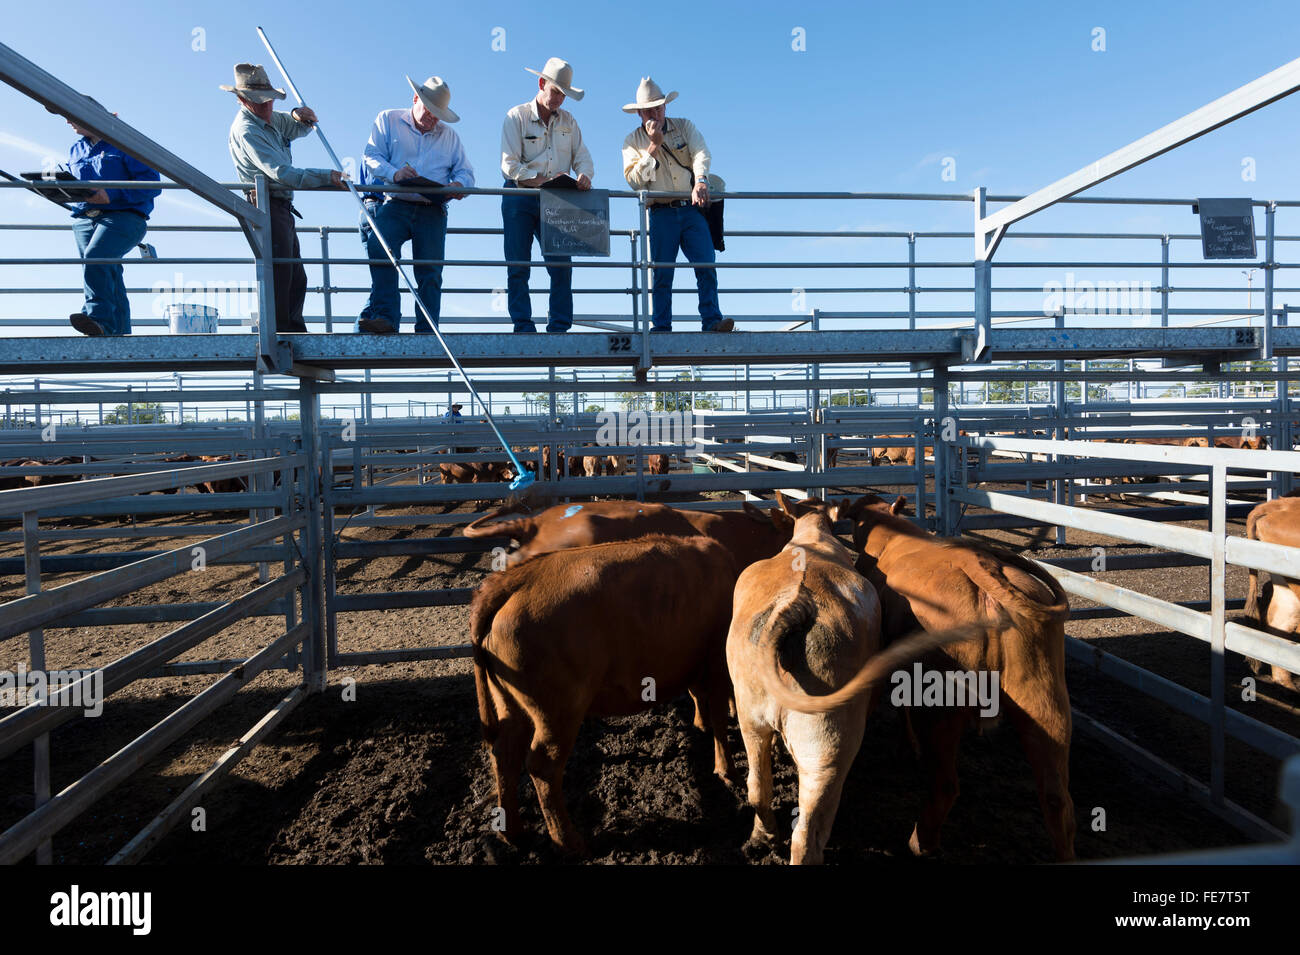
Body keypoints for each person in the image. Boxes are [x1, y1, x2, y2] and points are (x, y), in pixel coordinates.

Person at [224, 63, 342, 334]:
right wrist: (328, 177)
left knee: (295, 275)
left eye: (269, 99)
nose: (267, 105)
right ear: (242, 100)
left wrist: (299, 116)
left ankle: (291, 331)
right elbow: (282, 173)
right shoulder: (247, 130)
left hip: (279, 206)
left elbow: (297, 128)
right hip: (263, 204)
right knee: (280, 272)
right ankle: (280, 334)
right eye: (259, 100)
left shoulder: (265, 117)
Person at [358, 76, 474, 335]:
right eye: (429, 111)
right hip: (395, 203)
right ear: (415, 99)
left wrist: (458, 187)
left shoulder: (450, 137)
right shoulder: (387, 119)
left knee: (430, 271)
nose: (433, 118)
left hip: (432, 209)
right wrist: (395, 173)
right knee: (381, 250)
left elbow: (466, 173)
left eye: (438, 114)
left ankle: (427, 328)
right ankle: (386, 318)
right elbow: (371, 156)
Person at [621, 78, 732, 333]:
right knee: (662, 274)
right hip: (660, 213)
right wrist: (653, 145)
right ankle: (661, 328)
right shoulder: (632, 141)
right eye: (649, 110)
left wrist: (701, 180)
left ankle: (712, 320)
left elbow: (701, 152)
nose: (655, 113)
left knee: (706, 264)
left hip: (692, 208)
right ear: (639, 113)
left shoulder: (684, 126)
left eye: (658, 107)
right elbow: (635, 181)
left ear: (665, 107)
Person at [500, 57, 594, 333]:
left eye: (563, 95)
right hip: (520, 197)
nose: (559, 100)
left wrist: (585, 174)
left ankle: (560, 325)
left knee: (561, 265)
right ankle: (522, 323)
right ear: (542, 84)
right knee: (518, 263)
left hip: (556, 199)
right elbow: (508, 164)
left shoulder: (569, 121)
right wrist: (541, 180)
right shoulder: (515, 116)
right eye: (555, 92)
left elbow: (583, 157)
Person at [54, 97, 161, 337]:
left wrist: (110, 194)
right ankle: (119, 330)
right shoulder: (75, 149)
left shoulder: (125, 142)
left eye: (71, 114)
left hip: (125, 217)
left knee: (95, 259)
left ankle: (97, 317)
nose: (68, 121)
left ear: (91, 114)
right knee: (108, 269)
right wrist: (57, 190)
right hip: (85, 218)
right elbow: (75, 184)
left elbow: (152, 184)